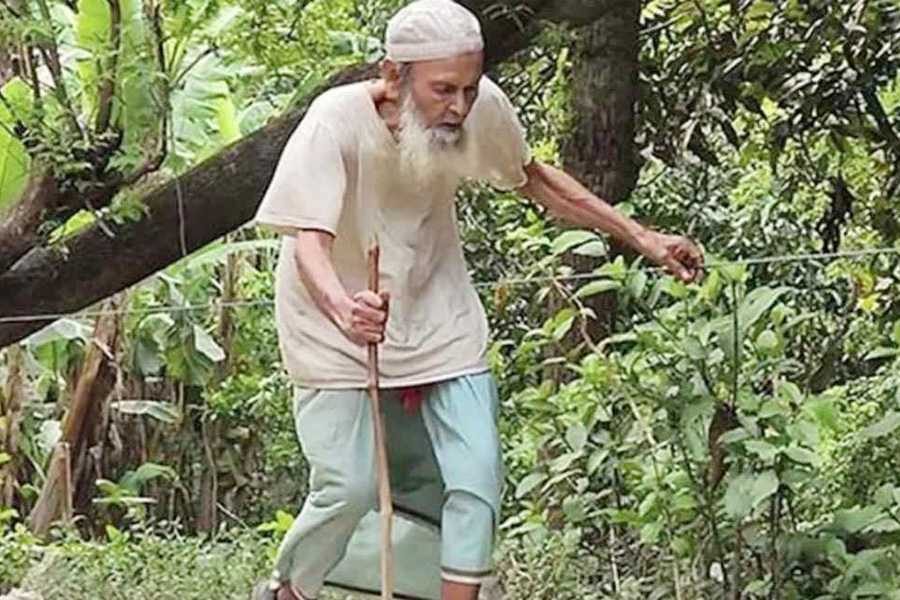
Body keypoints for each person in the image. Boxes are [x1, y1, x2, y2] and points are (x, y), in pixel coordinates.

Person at [251, 1, 704, 599]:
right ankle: (290, 591)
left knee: (476, 479)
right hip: (333, 323)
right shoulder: (334, 120)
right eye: (443, 89)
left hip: (440, 315)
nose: (459, 105)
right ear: (394, 75)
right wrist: (344, 308)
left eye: (468, 87)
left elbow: (532, 177)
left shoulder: (477, 108)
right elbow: (309, 237)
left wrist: (644, 238)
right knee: (349, 487)